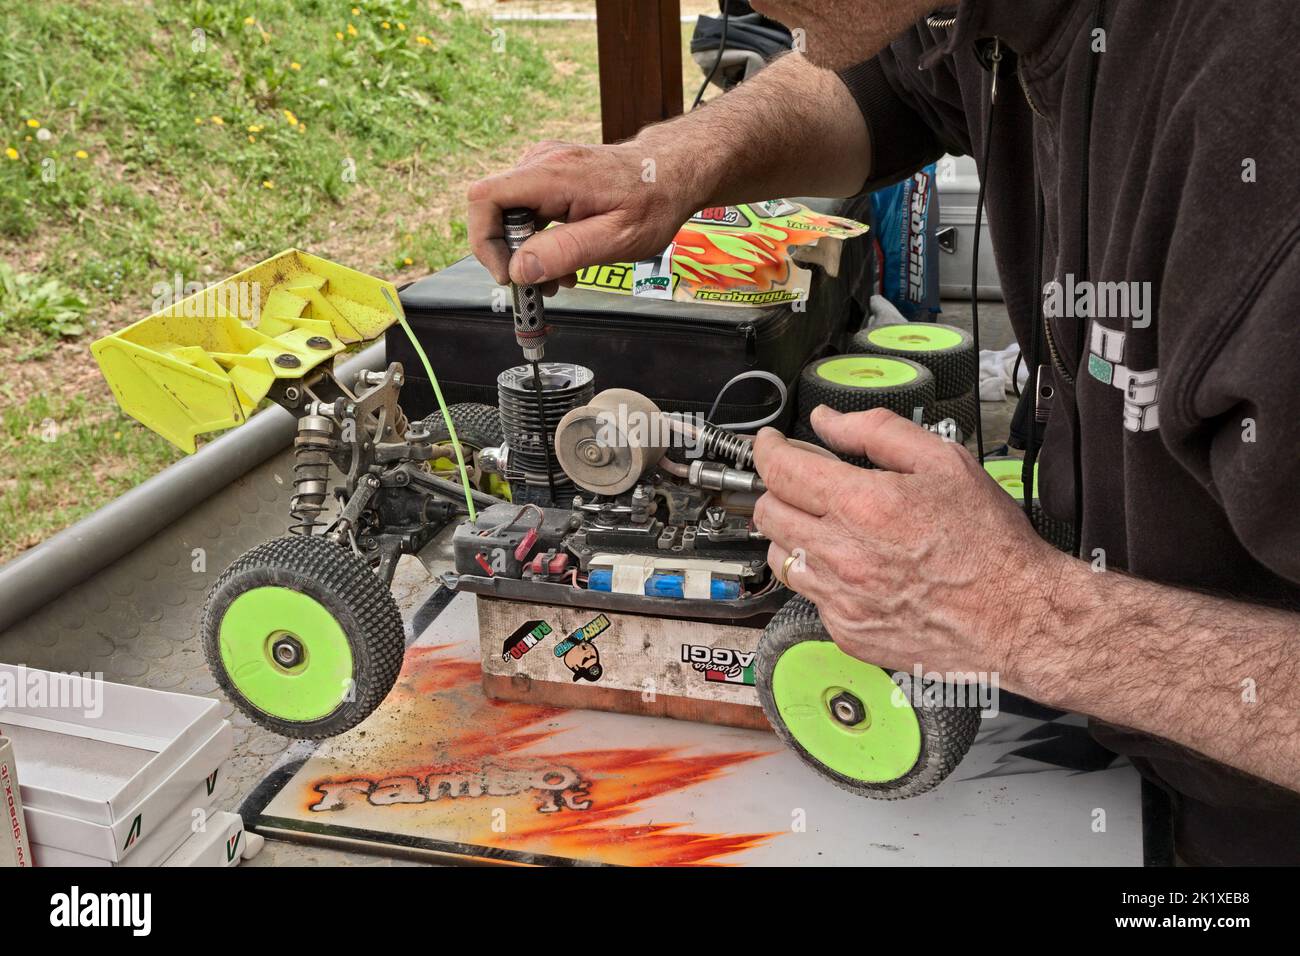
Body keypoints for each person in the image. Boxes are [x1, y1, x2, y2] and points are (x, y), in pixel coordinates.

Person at [468, 0, 1300, 865]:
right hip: (1130, 761)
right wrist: (674, 162)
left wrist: (1026, 616)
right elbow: (884, 84)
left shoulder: (1262, 118)